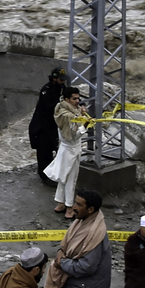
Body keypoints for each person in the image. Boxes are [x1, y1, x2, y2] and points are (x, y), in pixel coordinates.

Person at [42, 86, 88, 216]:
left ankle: (60, 203)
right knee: (70, 179)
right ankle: (69, 207)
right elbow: (74, 136)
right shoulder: (69, 116)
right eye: (74, 98)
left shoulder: (61, 109)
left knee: (63, 177)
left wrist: (82, 115)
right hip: (71, 150)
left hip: (64, 149)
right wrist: (85, 125)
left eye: (78, 98)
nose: (77, 101)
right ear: (67, 99)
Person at [29, 67, 68, 183]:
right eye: (61, 80)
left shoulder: (62, 88)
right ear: (54, 79)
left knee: (59, 150)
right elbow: (49, 108)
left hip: (55, 126)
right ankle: (45, 177)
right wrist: (63, 105)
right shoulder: (46, 90)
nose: (63, 82)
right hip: (42, 127)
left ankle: (55, 173)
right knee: (44, 153)